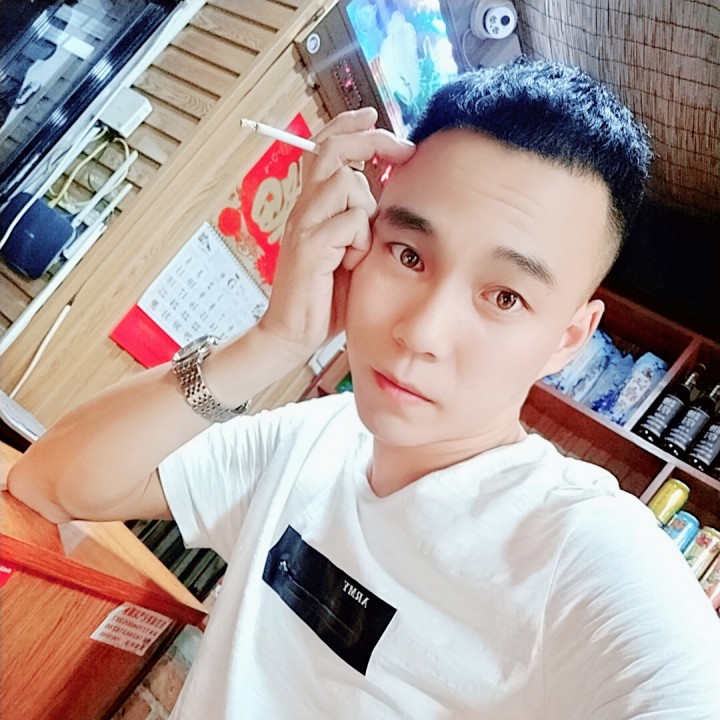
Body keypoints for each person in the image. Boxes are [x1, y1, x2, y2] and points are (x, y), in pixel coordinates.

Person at [7, 58, 720, 719]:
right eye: (408, 254)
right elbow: (51, 483)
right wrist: (271, 342)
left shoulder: (584, 552)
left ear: (568, 338)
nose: (422, 332)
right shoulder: (310, 440)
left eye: (504, 297)